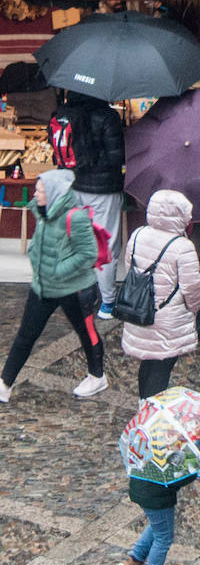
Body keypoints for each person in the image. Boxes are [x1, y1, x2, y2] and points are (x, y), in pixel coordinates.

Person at [0, 169, 106, 402]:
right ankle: (5, 383)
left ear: (55, 192)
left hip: (73, 290)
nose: (36, 193)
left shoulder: (75, 217)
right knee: (26, 335)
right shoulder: (43, 213)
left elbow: (87, 254)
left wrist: (59, 270)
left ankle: (97, 376)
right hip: (43, 287)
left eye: (40, 189)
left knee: (86, 334)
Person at [122, 190, 200, 399]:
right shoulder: (183, 246)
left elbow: (130, 267)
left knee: (148, 362)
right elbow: (191, 288)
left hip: (139, 311)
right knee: (162, 367)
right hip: (168, 318)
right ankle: (151, 416)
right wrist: (194, 310)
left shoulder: (137, 234)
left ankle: (144, 406)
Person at [63, 90, 125, 319]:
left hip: (75, 185)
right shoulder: (107, 117)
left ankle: (84, 294)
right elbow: (116, 157)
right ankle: (107, 302)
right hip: (104, 190)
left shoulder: (66, 113)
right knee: (105, 246)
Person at [118, 469, 196, 565]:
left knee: (158, 526)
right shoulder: (167, 459)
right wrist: (196, 471)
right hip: (157, 496)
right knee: (164, 536)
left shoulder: (149, 451)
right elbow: (178, 478)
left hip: (141, 489)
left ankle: (135, 561)